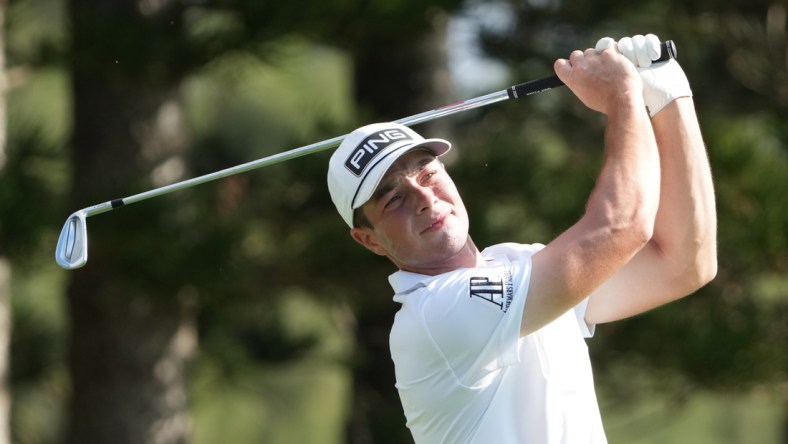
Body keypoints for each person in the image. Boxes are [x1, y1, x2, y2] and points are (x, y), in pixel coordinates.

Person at [326, 33, 717, 444]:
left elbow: (684, 264)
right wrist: (623, 96)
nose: (425, 199)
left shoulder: (517, 263)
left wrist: (669, 95)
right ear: (368, 240)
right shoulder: (434, 315)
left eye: (427, 173)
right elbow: (622, 225)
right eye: (394, 200)